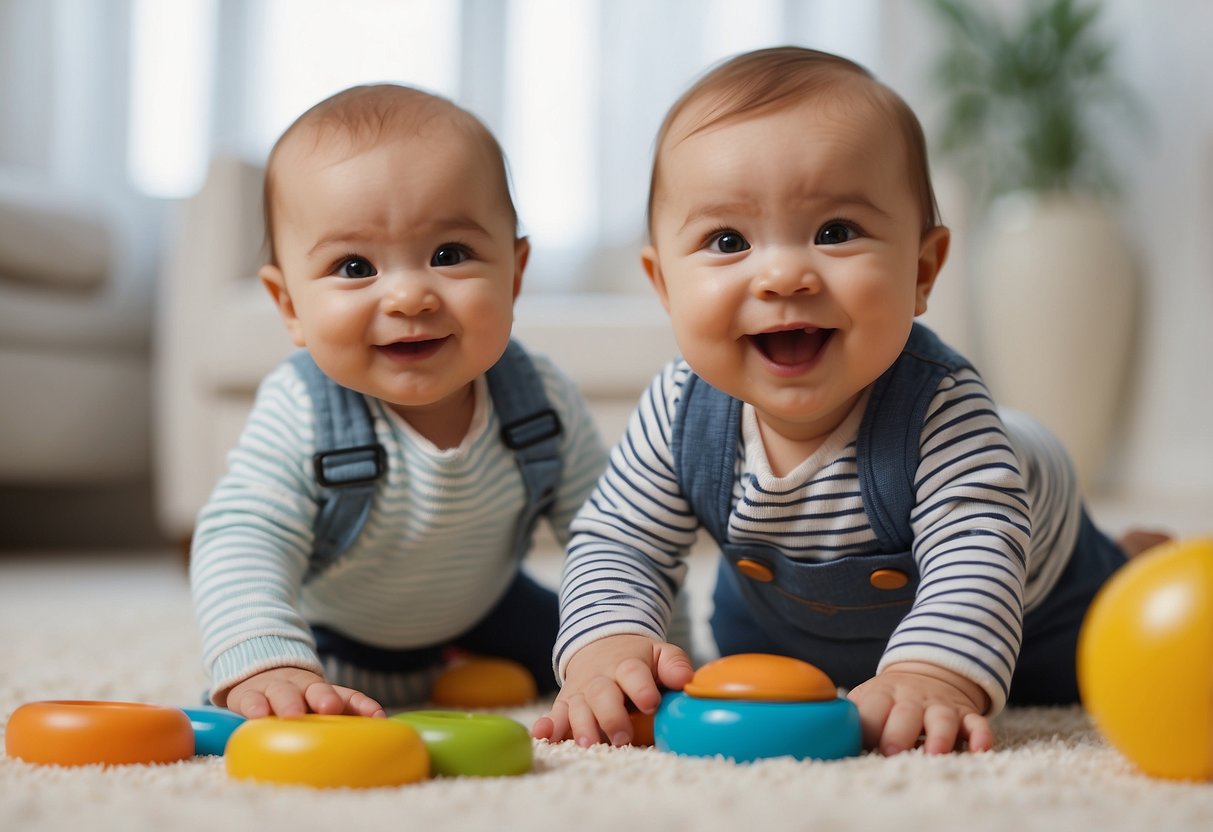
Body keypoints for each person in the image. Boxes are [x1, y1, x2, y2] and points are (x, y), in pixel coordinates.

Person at [532, 47, 1168, 755]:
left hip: (1033, 596)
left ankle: (1129, 556)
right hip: (780, 620)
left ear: (921, 269)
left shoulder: (940, 409)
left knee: (1089, 654)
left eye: (834, 233)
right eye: (726, 240)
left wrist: (932, 674)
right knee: (756, 666)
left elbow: (974, 552)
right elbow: (621, 541)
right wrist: (606, 642)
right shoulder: (680, 408)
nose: (781, 275)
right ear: (663, 285)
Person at [190, 84, 607, 719]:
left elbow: (611, 533)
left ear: (515, 275)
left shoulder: (538, 399)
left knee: (603, 648)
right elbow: (245, 534)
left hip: (491, 607)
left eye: (450, 255)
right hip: (343, 635)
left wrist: (645, 646)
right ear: (289, 306)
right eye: (355, 267)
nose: (410, 296)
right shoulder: (304, 408)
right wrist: (266, 655)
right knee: (287, 696)